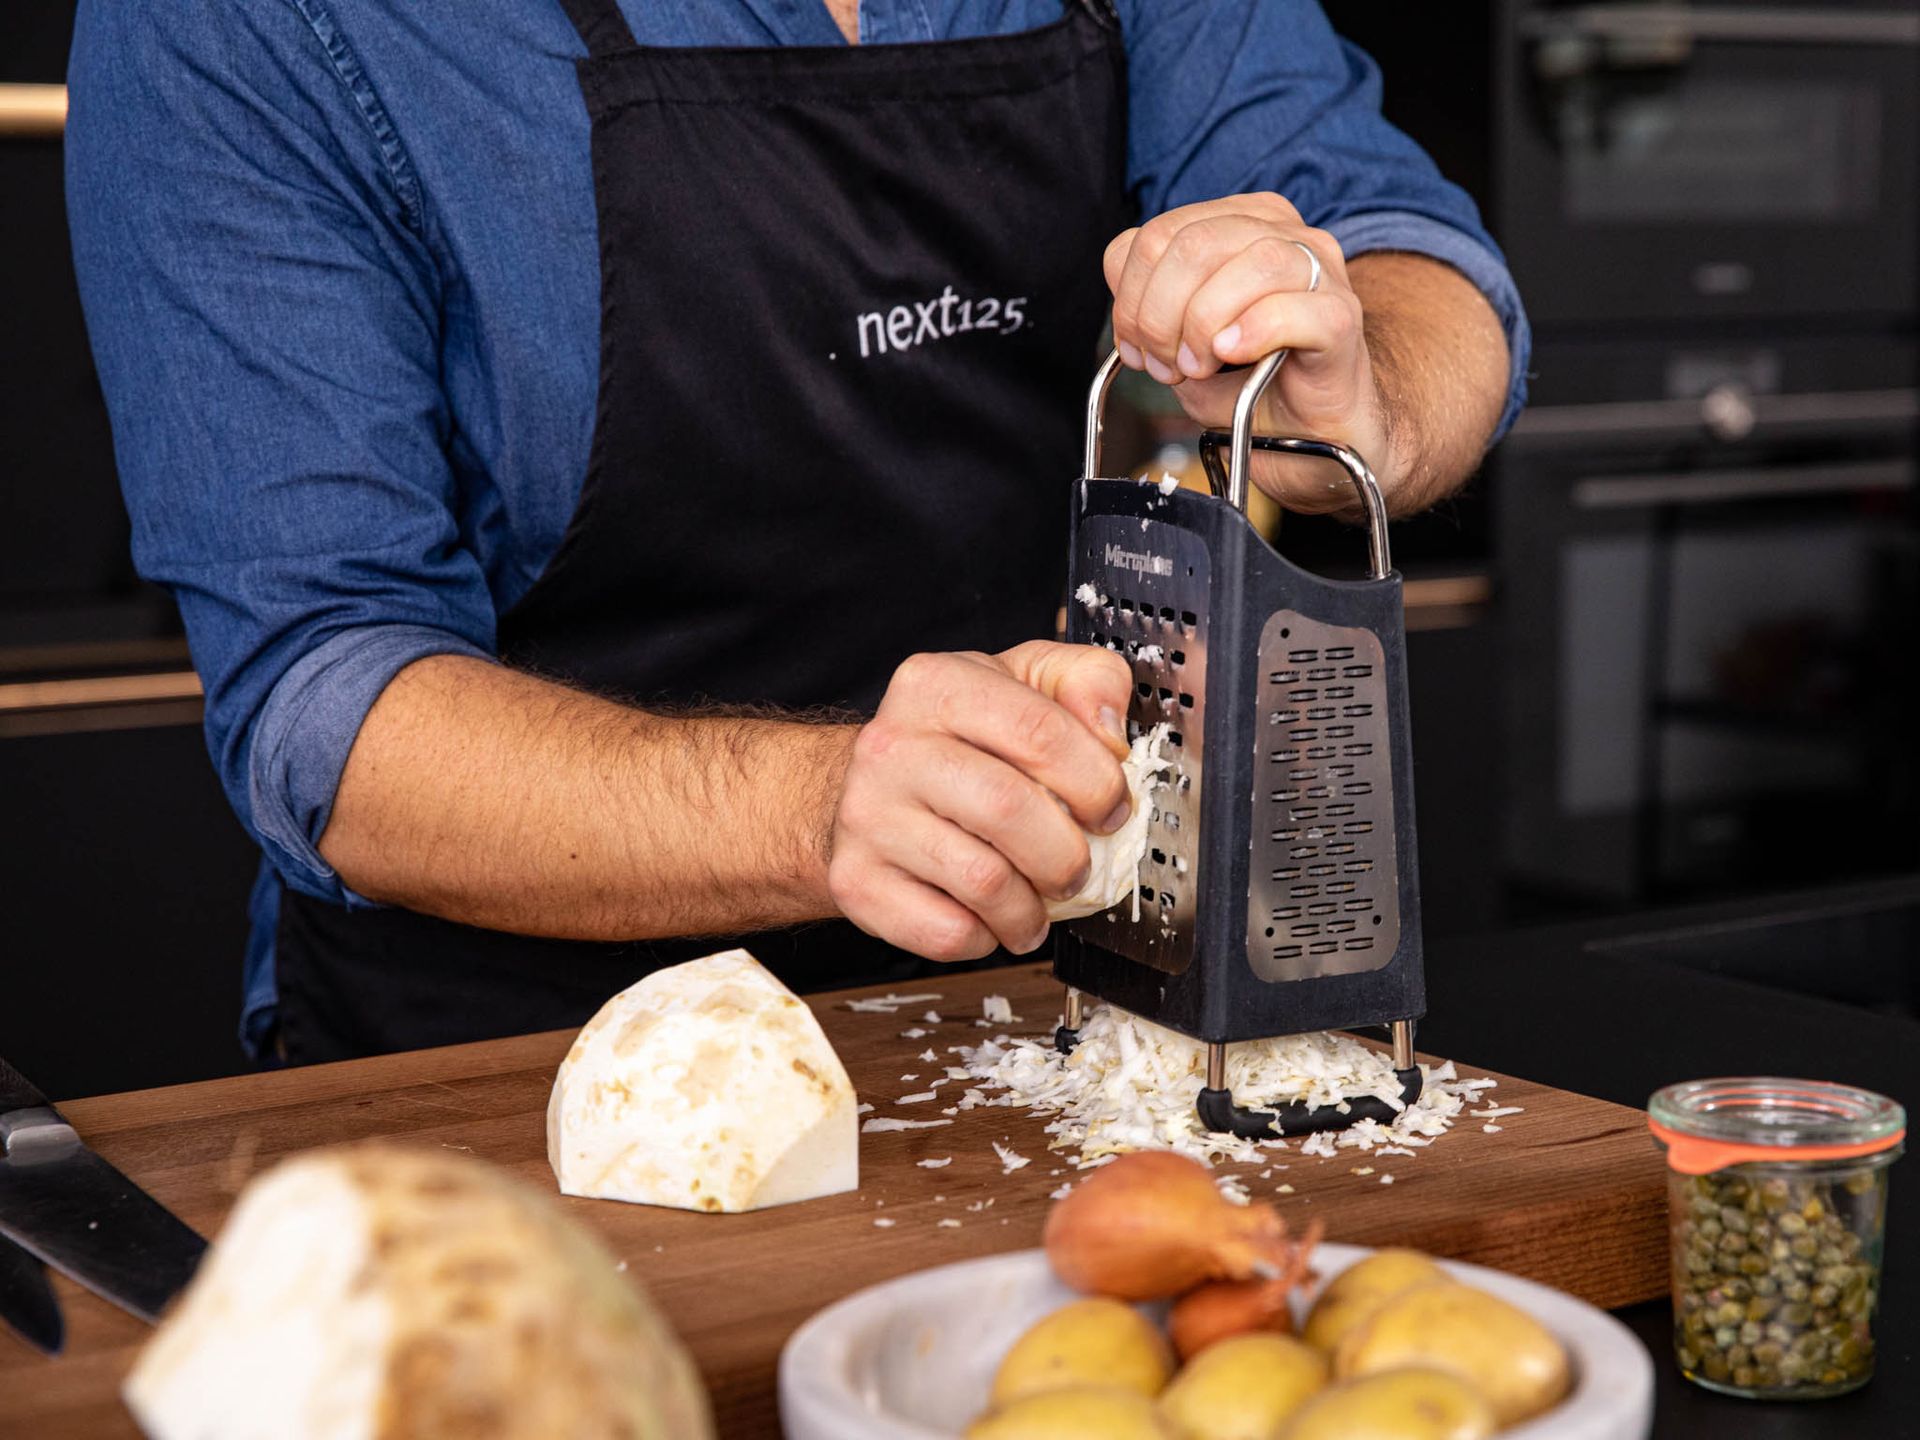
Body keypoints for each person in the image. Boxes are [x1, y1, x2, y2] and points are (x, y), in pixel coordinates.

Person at [66, 0, 1527, 1064]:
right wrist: (818, 811)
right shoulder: (242, 28)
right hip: (509, 1077)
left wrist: (1358, 394)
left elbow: (1411, 250)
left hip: (1032, 1031)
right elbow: (327, 712)